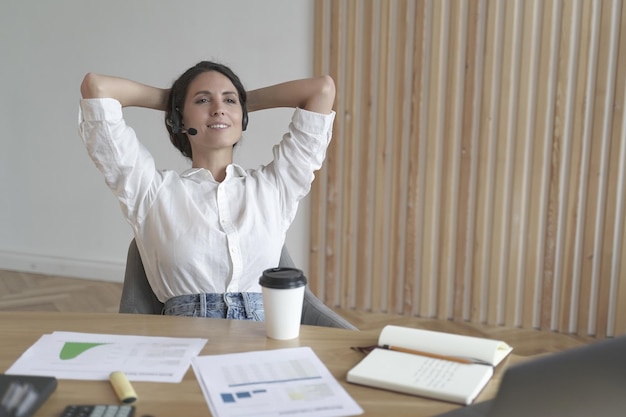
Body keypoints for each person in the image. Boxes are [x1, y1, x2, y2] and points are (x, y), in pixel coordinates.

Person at [78, 61, 336, 320]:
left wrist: (242, 103)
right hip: (184, 342)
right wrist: (173, 102)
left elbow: (321, 90)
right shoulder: (150, 191)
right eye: (202, 101)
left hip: (262, 341)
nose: (218, 109)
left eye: (229, 101)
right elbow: (97, 87)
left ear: (243, 117)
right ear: (178, 119)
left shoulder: (275, 187)